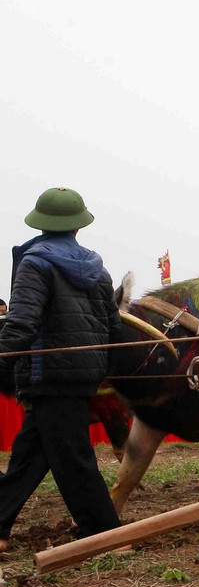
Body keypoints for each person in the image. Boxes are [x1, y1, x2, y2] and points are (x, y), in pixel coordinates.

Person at [0, 187, 122, 553]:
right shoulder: (97, 269)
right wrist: (103, 369)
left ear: (41, 224)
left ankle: (107, 536)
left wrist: (2, 358)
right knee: (30, 456)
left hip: (48, 374)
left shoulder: (34, 263)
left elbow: (21, 323)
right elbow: (113, 326)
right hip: (83, 374)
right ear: (77, 227)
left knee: (74, 460)